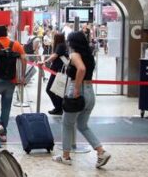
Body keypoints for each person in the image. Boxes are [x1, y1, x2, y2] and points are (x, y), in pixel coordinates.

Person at [52, 32, 111, 168]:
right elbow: (85, 69)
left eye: (69, 41)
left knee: (67, 124)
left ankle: (65, 156)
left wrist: (77, 88)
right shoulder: (89, 55)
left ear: (72, 42)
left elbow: (81, 69)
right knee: (82, 125)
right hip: (90, 92)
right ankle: (101, 151)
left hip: (78, 91)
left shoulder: (74, 55)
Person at [0, 25, 26, 142]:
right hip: (11, 81)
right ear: (6, 33)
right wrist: (22, 76)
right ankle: (3, 134)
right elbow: (24, 58)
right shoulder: (15, 44)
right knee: (6, 107)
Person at [38, 33, 68, 115]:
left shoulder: (60, 46)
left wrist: (44, 61)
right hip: (58, 71)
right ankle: (59, 108)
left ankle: (58, 108)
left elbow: (55, 55)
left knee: (50, 89)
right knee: (57, 90)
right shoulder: (63, 45)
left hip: (58, 71)